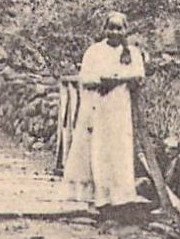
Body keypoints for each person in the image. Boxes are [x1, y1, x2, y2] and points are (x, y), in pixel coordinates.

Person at [63, 12, 148, 210]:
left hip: (120, 107)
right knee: (99, 148)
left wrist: (120, 80)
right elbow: (86, 77)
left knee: (119, 148)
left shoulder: (132, 53)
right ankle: (98, 194)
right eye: (111, 27)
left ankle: (120, 194)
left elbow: (139, 76)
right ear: (104, 29)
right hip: (99, 105)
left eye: (119, 28)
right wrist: (104, 80)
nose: (114, 32)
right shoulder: (94, 51)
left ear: (125, 30)